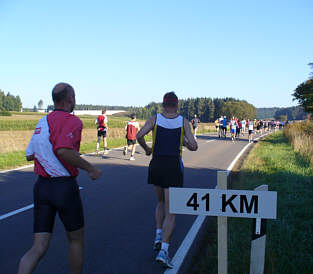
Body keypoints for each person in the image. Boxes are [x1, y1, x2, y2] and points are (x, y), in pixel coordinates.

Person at [18, 83, 102, 274]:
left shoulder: (42, 122)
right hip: (64, 187)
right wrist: (91, 168)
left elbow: (29, 155)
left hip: (41, 187)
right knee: (76, 239)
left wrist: (46, 154)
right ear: (70, 99)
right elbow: (63, 150)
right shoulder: (73, 121)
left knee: (38, 247)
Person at [136, 92, 198, 269]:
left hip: (156, 163)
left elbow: (139, 135)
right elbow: (194, 146)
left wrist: (147, 149)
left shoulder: (155, 119)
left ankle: (158, 234)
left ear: (163, 105)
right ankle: (164, 251)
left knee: (160, 201)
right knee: (171, 210)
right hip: (173, 165)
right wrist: (184, 142)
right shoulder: (184, 122)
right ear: (177, 105)